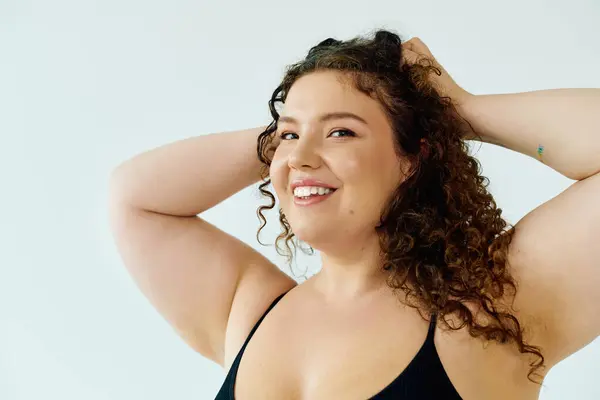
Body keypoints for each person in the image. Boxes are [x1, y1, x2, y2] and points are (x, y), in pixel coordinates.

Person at [108, 30, 600, 399]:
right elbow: (135, 197)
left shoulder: (494, 309)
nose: (298, 158)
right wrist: (289, 136)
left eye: (341, 133)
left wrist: (455, 108)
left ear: (412, 158)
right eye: (288, 136)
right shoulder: (250, 311)